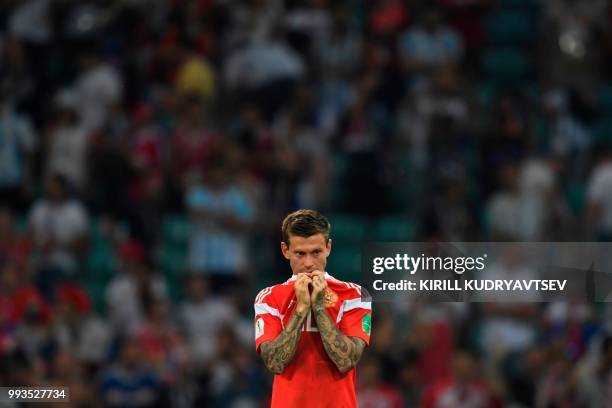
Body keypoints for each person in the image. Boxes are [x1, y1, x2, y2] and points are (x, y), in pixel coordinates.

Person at [253, 209, 372, 407]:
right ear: (285, 250)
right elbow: (275, 363)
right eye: (300, 253)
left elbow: (346, 361)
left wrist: (318, 306)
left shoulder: (355, 295)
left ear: (328, 248)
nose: (308, 263)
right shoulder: (269, 298)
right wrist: (301, 309)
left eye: (316, 252)